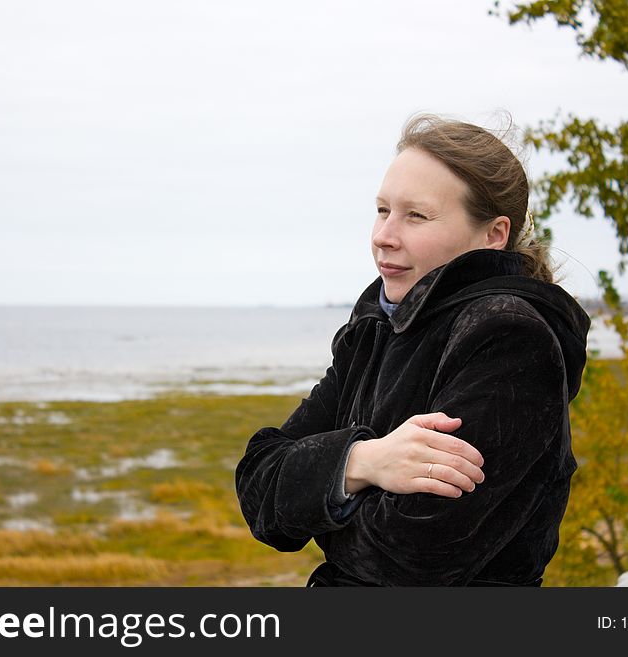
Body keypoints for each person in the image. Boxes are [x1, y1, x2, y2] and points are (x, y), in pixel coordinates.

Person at [234, 114, 591, 586]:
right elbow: (259, 486)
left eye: (416, 215)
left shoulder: (508, 337)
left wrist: (319, 500)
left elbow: (412, 557)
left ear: (493, 235)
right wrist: (365, 462)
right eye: (383, 210)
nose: (384, 235)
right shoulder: (374, 328)